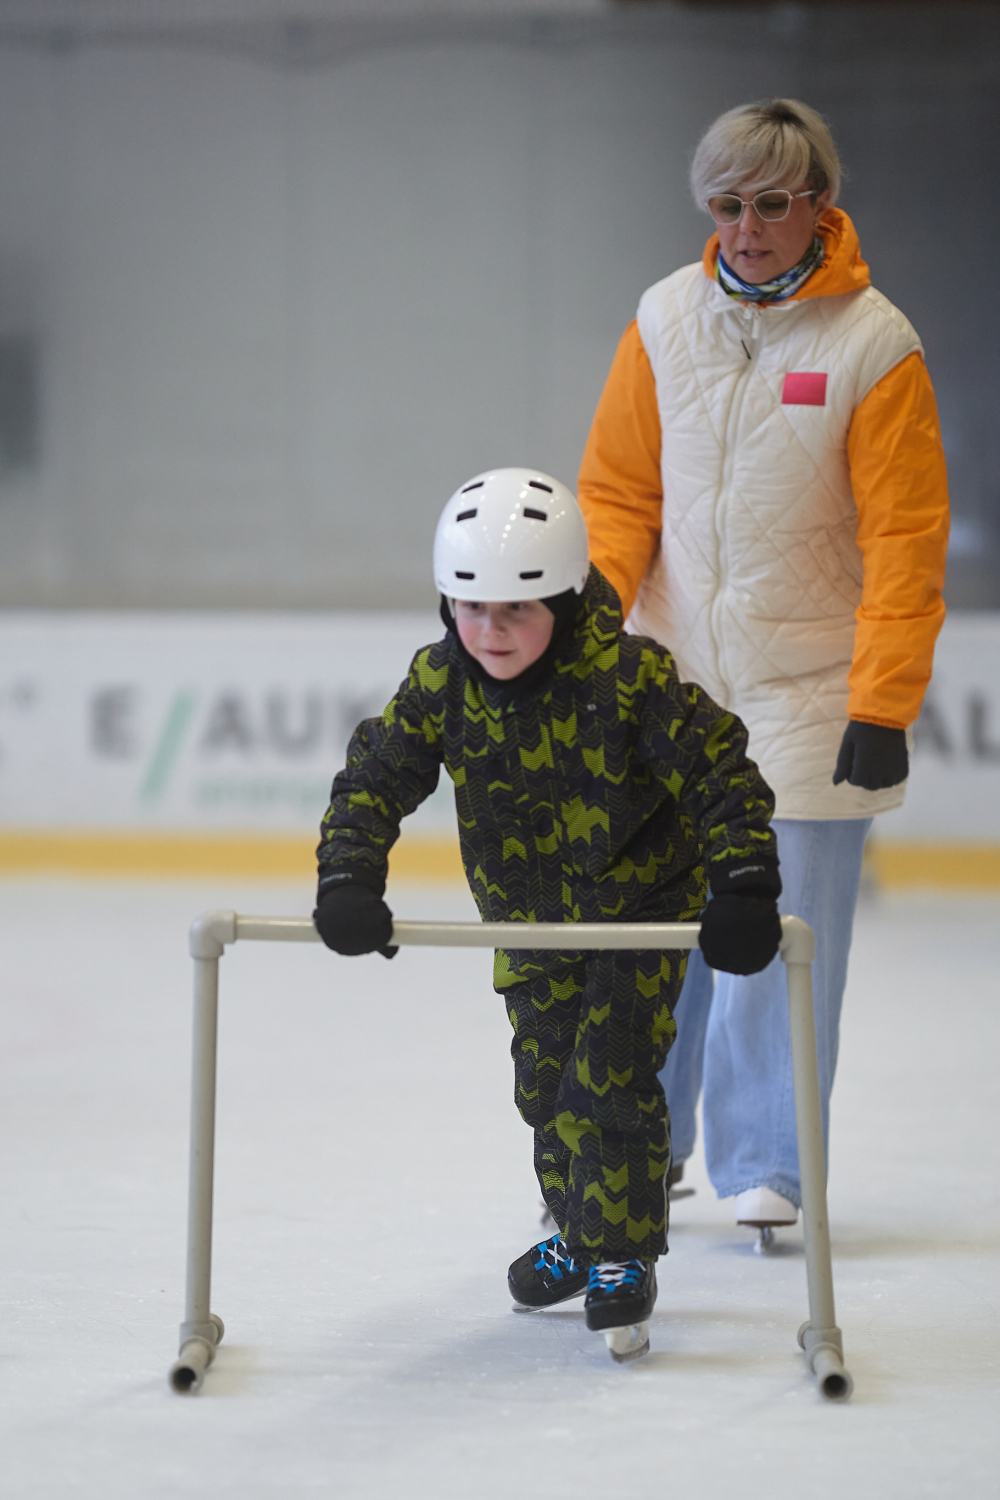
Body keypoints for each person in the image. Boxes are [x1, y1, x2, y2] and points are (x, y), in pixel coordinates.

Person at [577, 98, 950, 1232]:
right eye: (726, 204)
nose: (745, 228)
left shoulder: (874, 345)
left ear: (818, 205)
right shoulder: (662, 318)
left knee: (781, 942)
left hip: (812, 693)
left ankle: (769, 1164)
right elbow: (619, 491)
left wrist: (882, 702)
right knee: (654, 941)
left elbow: (906, 538)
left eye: (771, 203)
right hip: (673, 687)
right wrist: (594, 609)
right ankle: (642, 1150)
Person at [313, 466, 781, 1361]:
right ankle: (583, 1230)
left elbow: (720, 770)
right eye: (471, 607)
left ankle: (622, 1257)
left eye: (517, 610)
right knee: (545, 1089)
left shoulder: (629, 679)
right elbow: (373, 778)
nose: (490, 631)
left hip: (636, 914)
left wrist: (745, 883)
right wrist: (348, 878)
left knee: (607, 1081)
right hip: (529, 923)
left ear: (563, 600)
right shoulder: (442, 682)